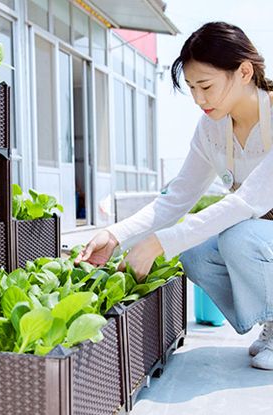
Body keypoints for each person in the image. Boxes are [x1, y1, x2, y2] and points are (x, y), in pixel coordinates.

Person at [76, 22, 273, 370]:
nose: (199, 99)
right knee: (196, 254)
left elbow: (246, 202)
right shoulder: (212, 128)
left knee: (238, 238)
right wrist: (115, 235)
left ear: (244, 72)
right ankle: (269, 320)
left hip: (256, 231)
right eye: (192, 88)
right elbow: (178, 196)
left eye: (206, 86)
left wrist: (158, 243)